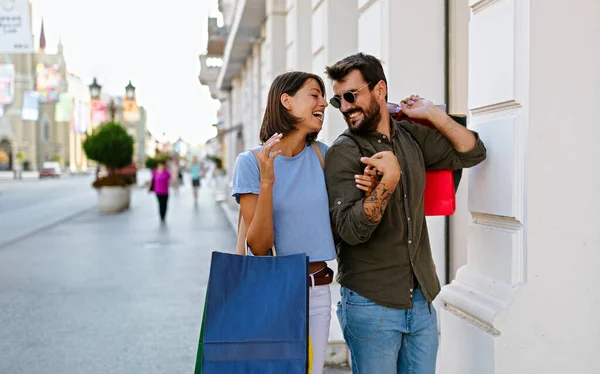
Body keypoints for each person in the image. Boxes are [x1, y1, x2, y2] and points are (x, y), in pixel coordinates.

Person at [323, 53, 487, 374]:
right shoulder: (345, 150)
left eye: (352, 96)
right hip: (371, 304)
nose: (344, 107)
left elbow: (472, 152)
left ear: (380, 90)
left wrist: (432, 115)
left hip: (421, 300)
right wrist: (388, 184)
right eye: (338, 99)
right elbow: (351, 232)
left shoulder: (410, 135)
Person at [231, 71, 375, 374]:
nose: (324, 103)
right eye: (314, 94)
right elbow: (258, 246)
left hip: (318, 291)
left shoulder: (324, 157)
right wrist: (268, 182)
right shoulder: (251, 162)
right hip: (272, 292)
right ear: (286, 101)